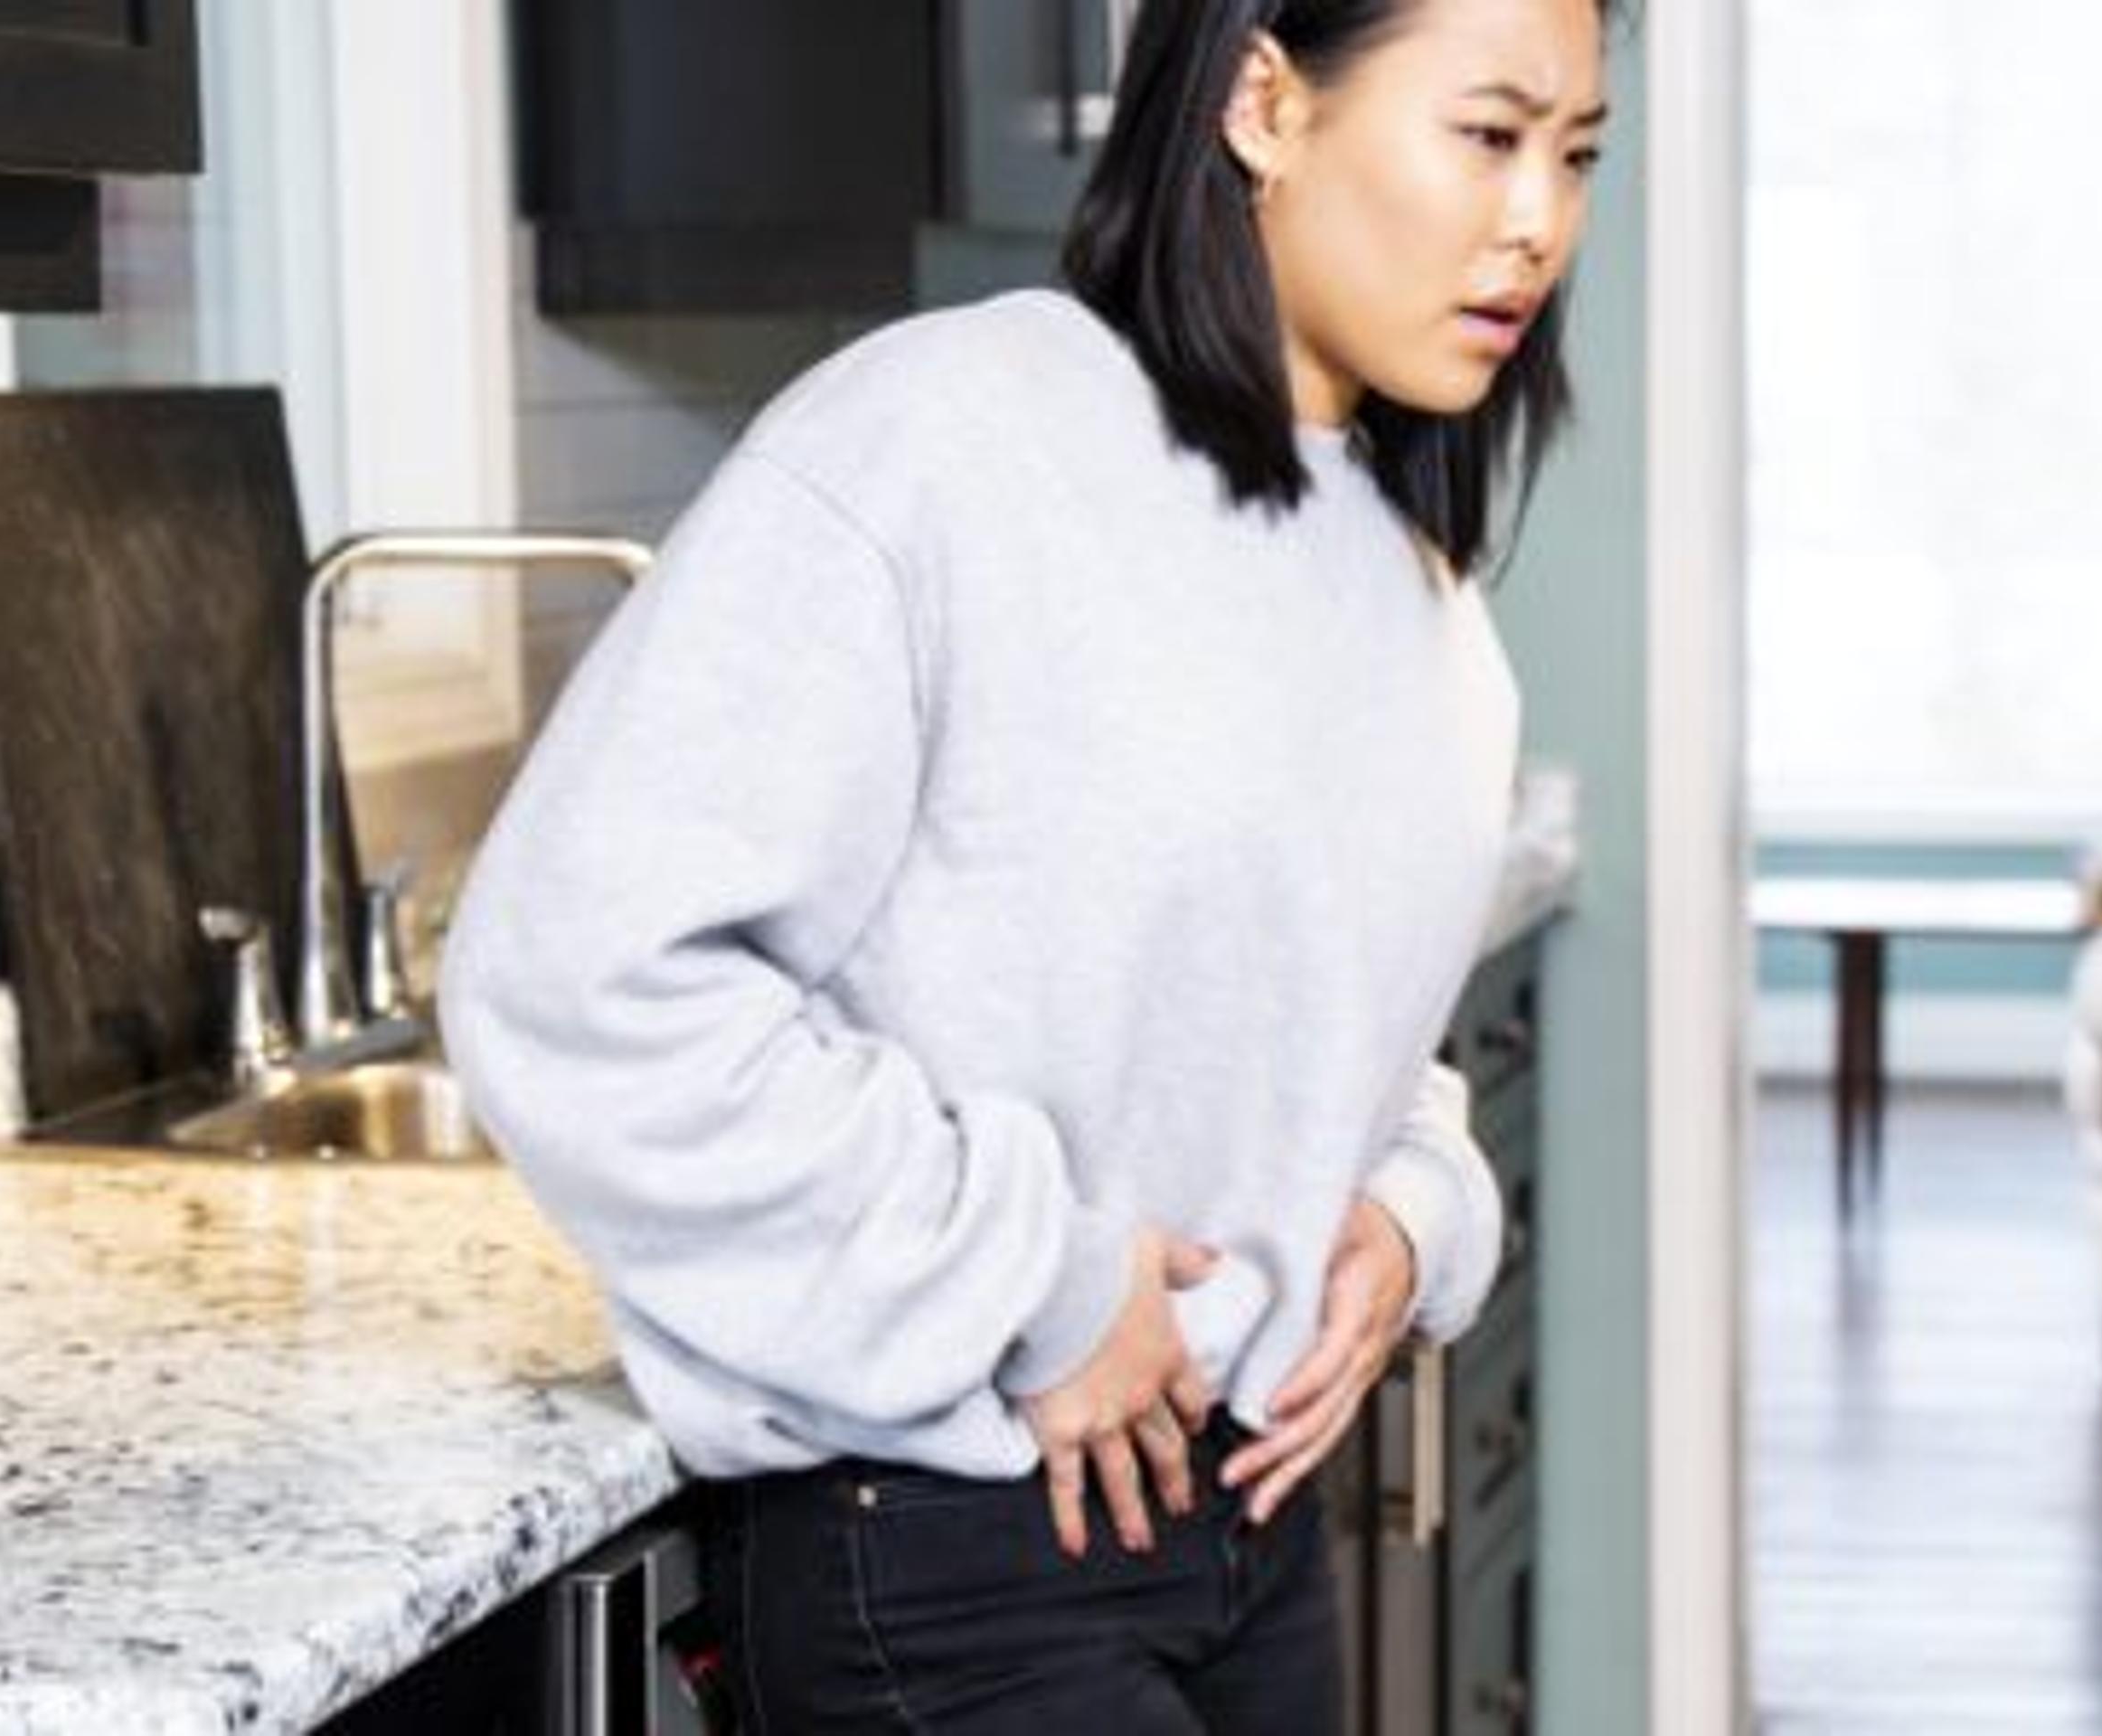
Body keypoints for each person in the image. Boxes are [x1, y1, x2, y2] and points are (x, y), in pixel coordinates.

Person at [438, 0, 1610, 1726]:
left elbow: (1313, 1034)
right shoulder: (944, 439)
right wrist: (1036, 1284)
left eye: (1579, 157)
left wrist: (1412, 1210)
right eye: (1489, 135)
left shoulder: (1411, 576)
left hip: (1248, 1530)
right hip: (950, 1545)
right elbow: (574, 977)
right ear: (1265, 105)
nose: (1539, 222)